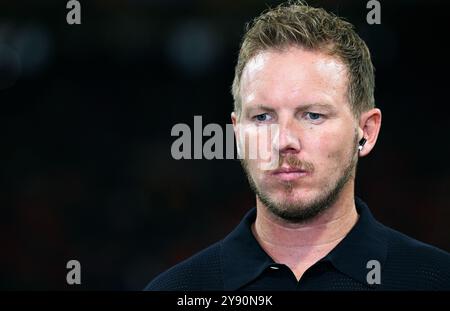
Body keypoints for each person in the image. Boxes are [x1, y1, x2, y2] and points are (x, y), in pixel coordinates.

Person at [145, 1, 450, 290]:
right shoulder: (178, 289)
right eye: (263, 117)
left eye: (313, 115)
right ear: (237, 134)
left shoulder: (434, 280)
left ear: (366, 131)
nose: (284, 141)